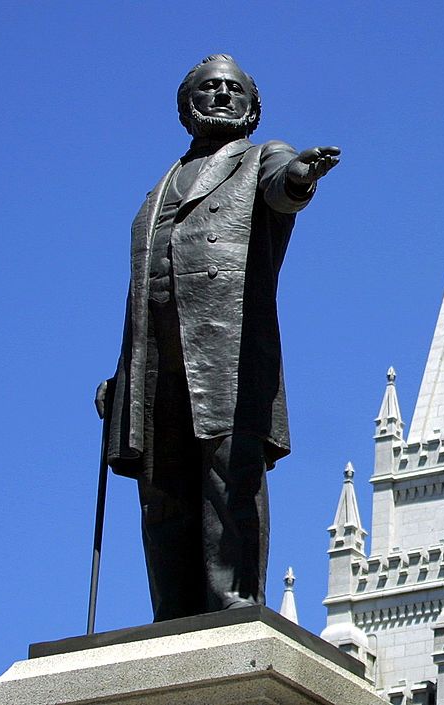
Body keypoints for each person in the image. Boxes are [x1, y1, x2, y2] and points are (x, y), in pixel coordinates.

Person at [95, 54, 340, 621]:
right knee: (162, 488)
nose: (222, 96)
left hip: (226, 352)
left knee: (230, 477)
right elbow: (143, 296)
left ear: (253, 108)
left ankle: (233, 603)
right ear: (187, 107)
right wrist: (122, 376)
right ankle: (174, 612)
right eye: (209, 89)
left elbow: (284, 187)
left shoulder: (260, 160)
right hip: (155, 360)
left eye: (234, 89)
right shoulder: (155, 193)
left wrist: (301, 175)